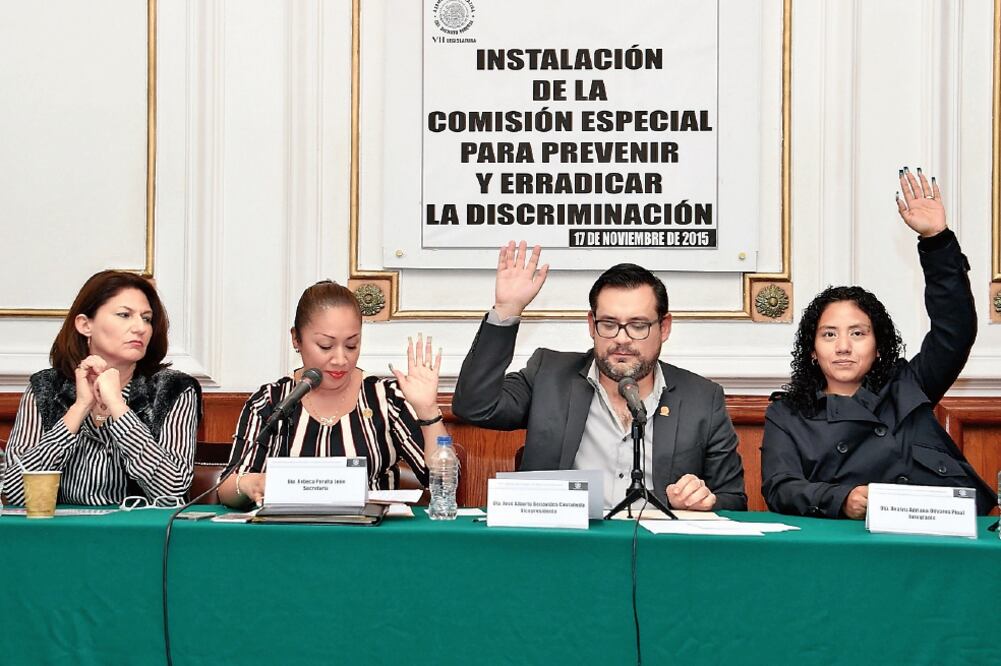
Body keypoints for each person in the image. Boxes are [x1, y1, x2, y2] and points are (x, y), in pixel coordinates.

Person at [761, 168, 994, 518]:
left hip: (937, 534)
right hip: (848, 545)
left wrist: (936, 241)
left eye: (858, 333)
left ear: (879, 345)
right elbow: (780, 488)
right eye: (829, 334)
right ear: (812, 349)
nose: (843, 346)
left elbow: (954, 331)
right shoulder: (788, 413)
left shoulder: (906, 385)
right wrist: (841, 499)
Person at [452, 242, 746, 511]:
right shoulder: (549, 375)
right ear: (592, 325)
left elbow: (733, 499)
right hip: (566, 550)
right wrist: (507, 310)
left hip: (658, 554)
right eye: (609, 324)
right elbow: (476, 407)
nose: (622, 339)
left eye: (638, 325)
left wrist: (704, 501)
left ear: (664, 328)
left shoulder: (702, 398)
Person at [219, 281, 447, 509]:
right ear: (296, 339)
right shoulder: (270, 400)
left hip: (370, 537)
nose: (340, 359)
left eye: (351, 345)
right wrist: (252, 483)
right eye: (326, 346)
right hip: (288, 537)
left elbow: (443, 484)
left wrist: (428, 412)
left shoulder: (385, 398)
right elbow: (226, 489)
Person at [3, 270, 201, 506]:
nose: (140, 327)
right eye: (124, 315)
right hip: (57, 536)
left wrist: (118, 407)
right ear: (85, 325)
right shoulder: (45, 388)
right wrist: (79, 409)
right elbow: (15, 492)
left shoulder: (173, 389)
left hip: (141, 535)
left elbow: (171, 491)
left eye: (146, 318)